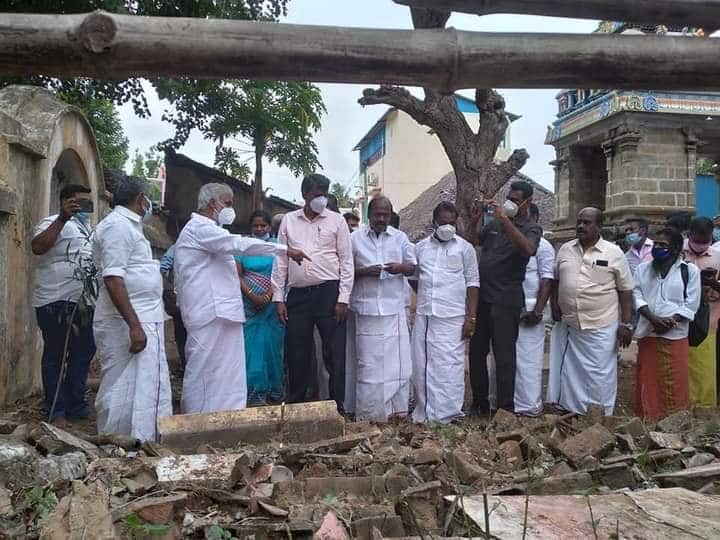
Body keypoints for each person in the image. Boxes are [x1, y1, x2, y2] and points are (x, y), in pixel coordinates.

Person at [174, 184, 306, 414]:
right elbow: (238, 244)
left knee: (228, 370)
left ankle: (226, 416)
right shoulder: (200, 228)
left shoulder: (210, 230)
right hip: (208, 311)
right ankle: (197, 419)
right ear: (213, 203)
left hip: (222, 311)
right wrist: (284, 250)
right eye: (227, 203)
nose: (230, 209)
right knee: (205, 368)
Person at [92, 175, 172, 441]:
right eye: (148, 199)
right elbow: (113, 278)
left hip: (143, 317)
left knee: (145, 384)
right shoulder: (117, 227)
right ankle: (116, 441)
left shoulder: (130, 226)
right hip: (126, 322)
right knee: (120, 385)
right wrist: (134, 325)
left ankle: (142, 439)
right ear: (141, 199)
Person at [271, 174, 354, 413]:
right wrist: (279, 298)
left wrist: (343, 298)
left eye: (325, 194)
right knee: (297, 351)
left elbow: (346, 261)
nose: (322, 198)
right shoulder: (289, 220)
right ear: (305, 194)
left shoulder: (337, 221)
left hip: (329, 293)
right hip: (298, 295)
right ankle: (296, 407)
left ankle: (338, 407)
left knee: (334, 352)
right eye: (318, 193)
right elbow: (281, 260)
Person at [548, 207, 634, 416]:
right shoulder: (565, 249)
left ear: (599, 226)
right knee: (572, 370)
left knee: (600, 373)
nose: (580, 226)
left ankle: (600, 414)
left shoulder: (613, 252)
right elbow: (555, 280)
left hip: (602, 324)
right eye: (579, 222)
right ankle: (573, 410)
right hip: (572, 324)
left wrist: (626, 324)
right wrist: (554, 304)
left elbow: (626, 290)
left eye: (587, 222)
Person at [469, 181, 542, 414]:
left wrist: (506, 220)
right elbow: (473, 240)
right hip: (483, 298)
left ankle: (504, 410)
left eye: (515, 199)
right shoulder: (494, 225)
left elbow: (528, 250)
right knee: (477, 353)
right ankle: (480, 404)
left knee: (504, 357)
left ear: (527, 202)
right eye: (508, 197)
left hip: (507, 299)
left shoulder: (531, 227)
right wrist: (477, 216)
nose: (510, 202)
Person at [346, 196, 416, 422]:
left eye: (386, 215)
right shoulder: (354, 238)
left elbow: (412, 266)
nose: (382, 219)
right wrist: (365, 271)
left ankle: (396, 411)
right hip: (366, 311)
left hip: (393, 308)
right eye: (378, 214)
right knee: (369, 365)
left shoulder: (400, 238)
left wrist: (400, 268)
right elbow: (344, 271)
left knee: (397, 364)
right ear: (369, 214)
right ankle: (370, 413)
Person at [31, 184, 96, 422]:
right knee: (56, 355)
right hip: (55, 301)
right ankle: (55, 408)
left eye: (88, 203)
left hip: (84, 304)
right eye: (79, 203)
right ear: (65, 202)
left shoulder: (89, 230)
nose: (85, 208)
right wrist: (62, 218)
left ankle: (75, 405)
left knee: (83, 353)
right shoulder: (50, 222)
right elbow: (38, 247)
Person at [410, 202, 479, 423]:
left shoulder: (465, 248)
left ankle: (449, 413)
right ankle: (425, 412)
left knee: (450, 365)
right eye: (444, 222)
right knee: (422, 363)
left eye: (452, 222)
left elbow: (473, 284)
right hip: (426, 315)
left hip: (454, 317)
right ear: (434, 222)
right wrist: (427, 296)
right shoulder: (420, 248)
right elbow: (413, 279)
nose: (448, 227)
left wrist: (471, 317)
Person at [633, 227, 700, 419]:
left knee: (675, 382)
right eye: (656, 244)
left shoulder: (690, 271)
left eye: (663, 245)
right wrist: (653, 318)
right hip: (649, 332)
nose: (657, 248)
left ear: (676, 249)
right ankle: (648, 421)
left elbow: (691, 302)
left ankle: (675, 423)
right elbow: (636, 295)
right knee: (649, 379)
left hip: (675, 334)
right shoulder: (642, 269)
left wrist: (672, 320)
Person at [235, 210, 286, 406]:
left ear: (269, 227)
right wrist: (253, 296)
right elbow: (237, 275)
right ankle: (254, 394)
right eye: (255, 226)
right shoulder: (242, 247)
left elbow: (281, 274)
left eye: (262, 226)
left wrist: (268, 295)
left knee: (272, 349)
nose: (259, 229)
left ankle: (275, 392)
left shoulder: (276, 247)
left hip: (272, 307)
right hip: (249, 306)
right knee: (251, 349)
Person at [514, 204, 555, 416]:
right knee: (506, 358)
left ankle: (528, 406)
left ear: (536, 218)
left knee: (528, 360)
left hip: (531, 312)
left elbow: (547, 280)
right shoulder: (511, 241)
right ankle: (506, 402)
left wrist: (537, 311)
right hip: (510, 308)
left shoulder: (544, 246)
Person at [683, 216, 720, 408]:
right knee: (683, 363)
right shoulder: (678, 250)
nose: (700, 245)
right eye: (696, 240)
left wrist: (712, 284)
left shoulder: (717, 256)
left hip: (708, 319)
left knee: (705, 366)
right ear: (689, 235)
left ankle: (705, 407)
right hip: (680, 319)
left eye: (705, 241)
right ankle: (682, 405)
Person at [159, 243, 187, 371]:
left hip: (199, 299)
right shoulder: (177, 247)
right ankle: (186, 365)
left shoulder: (176, 247)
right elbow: (162, 268)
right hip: (181, 299)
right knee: (182, 333)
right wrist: (169, 289)